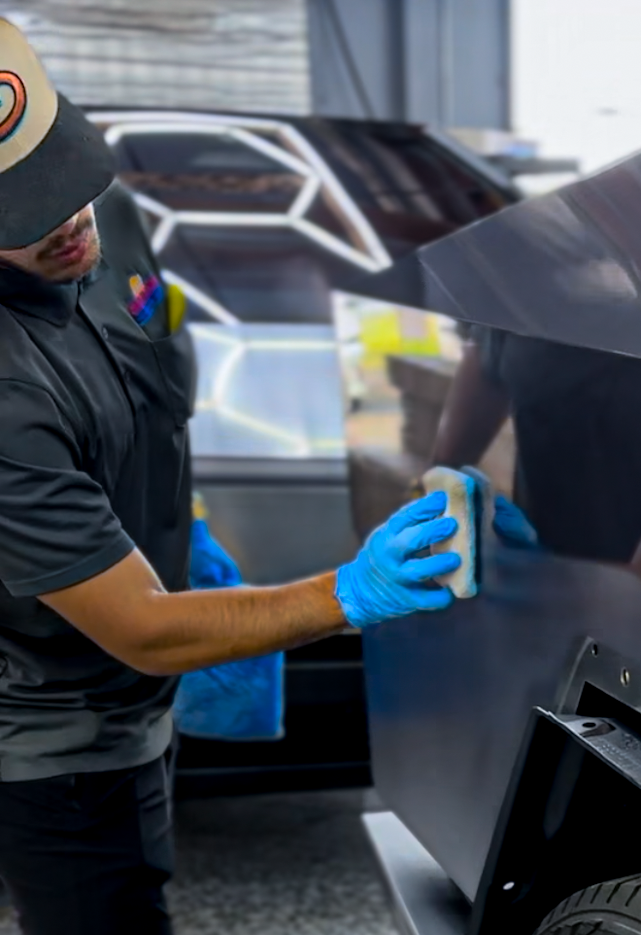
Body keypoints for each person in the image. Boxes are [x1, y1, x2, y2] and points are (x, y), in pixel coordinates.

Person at [0, 21, 464, 935]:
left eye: (63, 175)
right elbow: (140, 629)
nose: (67, 220)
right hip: (61, 739)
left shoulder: (105, 217)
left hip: (135, 680)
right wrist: (350, 591)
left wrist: (182, 510)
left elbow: (155, 361)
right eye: (21, 214)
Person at [431, 327, 641, 601]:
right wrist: (440, 490)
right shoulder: (541, 287)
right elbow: (490, 354)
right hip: (541, 594)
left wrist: (500, 585)